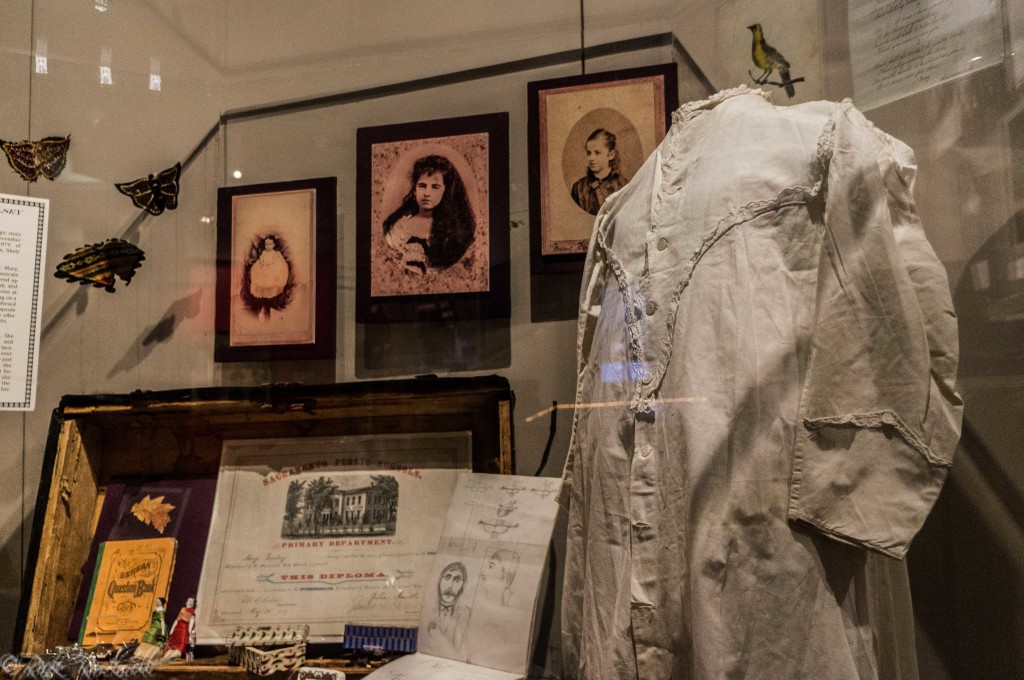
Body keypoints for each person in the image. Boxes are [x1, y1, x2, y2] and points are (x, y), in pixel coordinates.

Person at [383, 155, 475, 273]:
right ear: (415, 190)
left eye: (435, 187)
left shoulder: (452, 232)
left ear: (446, 191)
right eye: (422, 186)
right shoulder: (399, 227)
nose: (427, 193)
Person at [570, 128, 629, 215]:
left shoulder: (623, 186)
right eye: (589, 153)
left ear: (611, 155)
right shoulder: (578, 188)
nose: (591, 158)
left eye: (597, 153)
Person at [424, 561, 471, 657]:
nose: (450, 585)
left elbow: (460, 651)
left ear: (463, 586)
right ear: (439, 581)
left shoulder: (464, 612)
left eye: (457, 580)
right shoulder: (428, 606)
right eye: (447, 577)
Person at [241, 235, 292, 319]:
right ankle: (263, 304)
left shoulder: (276, 253)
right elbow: (262, 260)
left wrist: (271, 264)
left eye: (270, 244)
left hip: (272, 270)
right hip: (264, 271)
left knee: (271, 279)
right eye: (266, 244)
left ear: (274, 245)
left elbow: (277, 261)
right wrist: (262, 263)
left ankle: (269, 303)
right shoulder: (264, 253)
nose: (268, 247)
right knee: (257, 272)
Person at [162, 596, 196, 661]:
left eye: (191, 601)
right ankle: (167, 655)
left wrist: (189, 631)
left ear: (193, 604)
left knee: (182, 642)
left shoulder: (192, 611)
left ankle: (176, 655)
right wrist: (172, 629)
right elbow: (177, 619)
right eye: (189, 600)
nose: (189, 602)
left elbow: (192, 621)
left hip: (184, 628)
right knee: (172, 642)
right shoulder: (182, 609)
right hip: (177, 628)